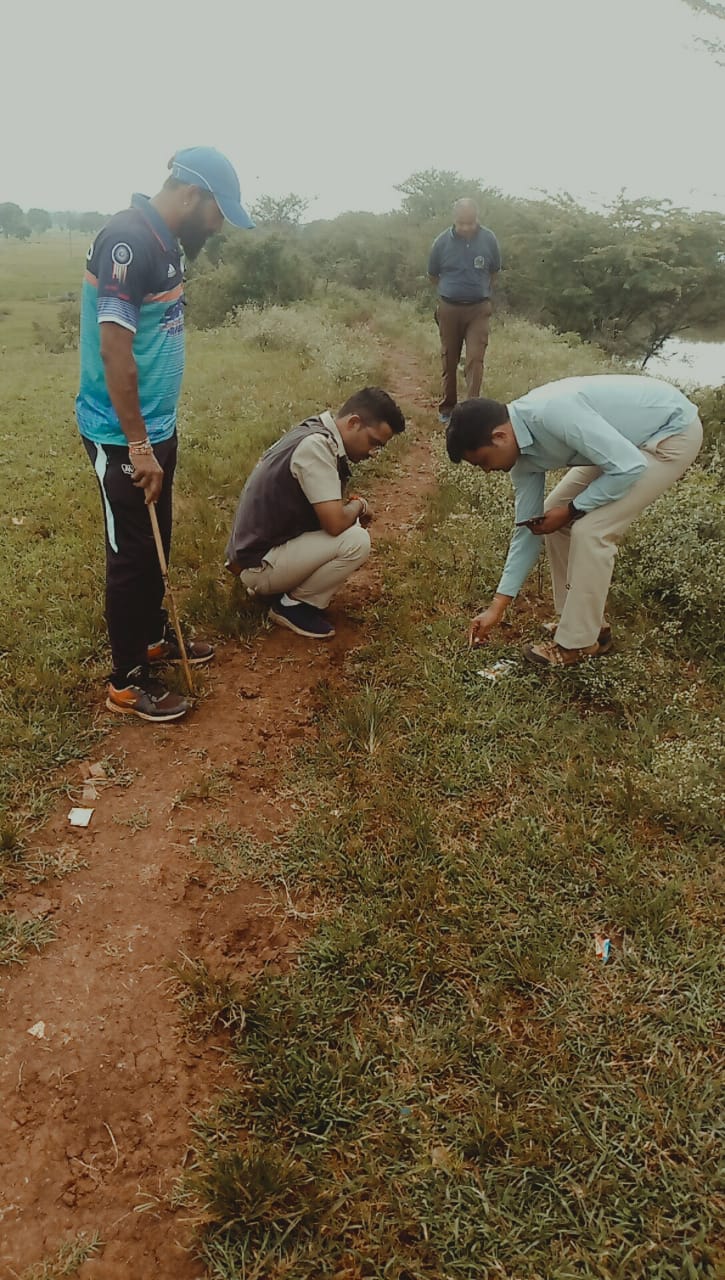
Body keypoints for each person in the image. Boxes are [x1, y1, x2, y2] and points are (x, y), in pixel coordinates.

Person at [76, 147, 254, 722]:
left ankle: (152, 638)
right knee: (131, 554)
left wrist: (155, 436)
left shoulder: (164, 241)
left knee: (158, 539)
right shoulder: (127, 242)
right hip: (120, 435)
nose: (218, 226)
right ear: (191, 194)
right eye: (217, 213)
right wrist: (137, 445)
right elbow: (114, 350)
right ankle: (127, 680)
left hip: (155, 429)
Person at [445, 374, 702, 666]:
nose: (486, 471)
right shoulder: (520, 457)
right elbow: (528, 530)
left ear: (500, 437)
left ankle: (578, 643)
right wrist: (497, 607)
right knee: (551, 518)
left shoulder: (552, 413)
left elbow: (629, 467)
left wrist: (573, 509)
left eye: (482, 461)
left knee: (592, 530)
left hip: (669, 433)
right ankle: (584, 624)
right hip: (622, 446)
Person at [225, 388, 405, 640]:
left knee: (349, 527)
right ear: (353, 423)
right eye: (374, 442)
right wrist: (360, 505)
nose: (373, 453)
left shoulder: (314, 431)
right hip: (258, 565)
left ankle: (280, 589)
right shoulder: (317, 446)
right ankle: (293, 606)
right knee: (356, 540)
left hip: (255, 553)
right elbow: (334, 523)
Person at [428, 198, 501, 425]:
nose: (466, 227)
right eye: (461, 223)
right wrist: (451, 292)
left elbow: (494, 271)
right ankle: (448, 407)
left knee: (475, 359)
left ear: (477, 218)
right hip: (449, 308)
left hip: (478, 309)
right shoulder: (441, 242)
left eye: (470, 222)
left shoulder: (489, 239)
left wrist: (480, 292)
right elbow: (433, 275)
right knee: (449, 357)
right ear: (454, 220)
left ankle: (471, 411)